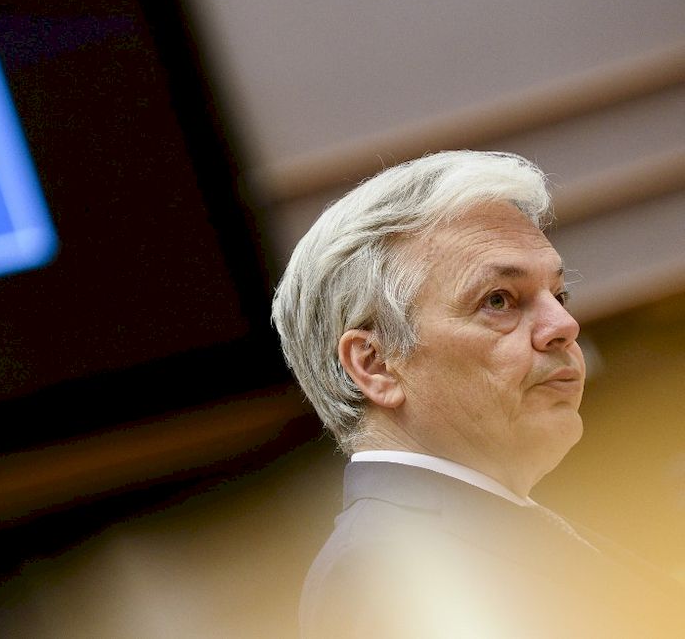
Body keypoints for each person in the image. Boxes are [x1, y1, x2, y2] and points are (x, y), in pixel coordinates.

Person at [270, 150, 685, 637]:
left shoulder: (480, 531)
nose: (564, 325)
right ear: (375, 364)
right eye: (498, 300)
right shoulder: (384, 567)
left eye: (559, 295)